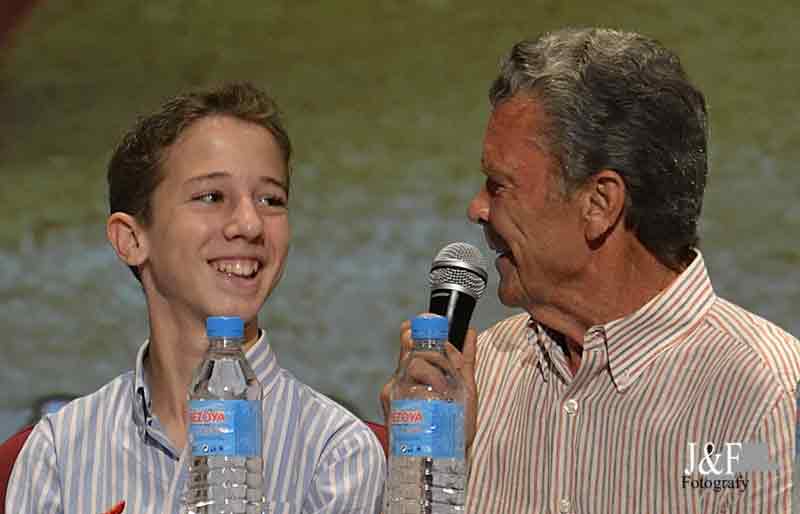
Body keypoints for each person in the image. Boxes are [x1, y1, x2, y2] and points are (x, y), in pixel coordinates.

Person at [382, 28, 800, 513]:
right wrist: (424, 470)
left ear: (600, 203)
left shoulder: (766, 398)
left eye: (499, 186)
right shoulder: (474, 378)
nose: (477, 209)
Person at [7, 82, 385, 514]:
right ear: (130, 239)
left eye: (271, 200)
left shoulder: (336, 455)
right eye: (211, 197)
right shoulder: (58, 453)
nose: (249, 224)